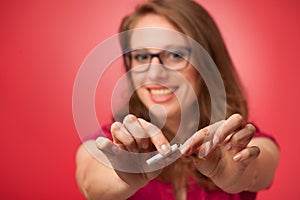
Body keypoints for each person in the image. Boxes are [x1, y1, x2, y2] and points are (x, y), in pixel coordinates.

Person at [75, 0, 280, 199]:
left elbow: (259, 169)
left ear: (206, 65)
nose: (155, 74)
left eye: (174, 55)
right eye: (141, 57)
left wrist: (236, 173)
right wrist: (123, 176)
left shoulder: (243, 143)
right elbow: (90, 184)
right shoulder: (108, 144)